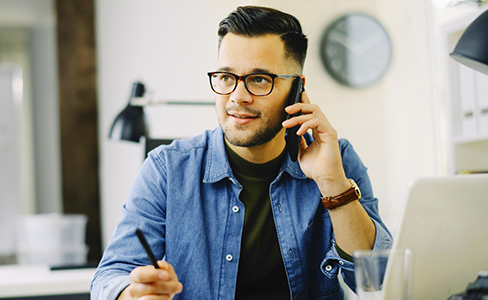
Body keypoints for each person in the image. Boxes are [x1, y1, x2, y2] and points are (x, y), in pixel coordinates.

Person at [91, 5, 392, 300]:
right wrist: (133, 294)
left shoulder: (336, 159)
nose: (237, 96)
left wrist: (333, 183)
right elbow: (110, 276)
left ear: (297, 90)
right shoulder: (167, 169)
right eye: (225, 77)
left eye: (259, 79)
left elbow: (377, 280)